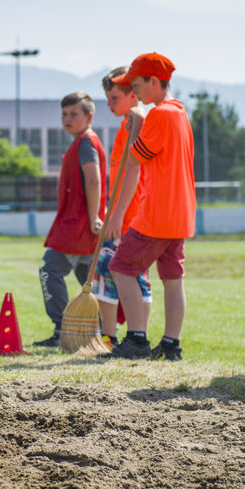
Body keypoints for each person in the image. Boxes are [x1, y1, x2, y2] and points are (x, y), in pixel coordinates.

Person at [105, 53, 195, 361]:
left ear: (154, 82)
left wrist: (137, 126)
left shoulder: (160, 115)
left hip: (157, 212)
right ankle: (171, 345)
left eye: (137, 83)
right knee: (172, 277)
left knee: (121, 267)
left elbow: (134, 162)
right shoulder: (180, 112)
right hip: (180, 213)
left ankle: (137, 339)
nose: (134, 91)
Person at [34, 91, 106, 348]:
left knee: (49, 269)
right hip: (80, 224)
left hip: (77, 225)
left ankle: (62, 328)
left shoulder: (86, 142)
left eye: (74, 114)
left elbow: (94, 179)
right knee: (88, 276)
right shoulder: (84, 141)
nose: (67, 119)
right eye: (64, 114)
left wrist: (95, 216)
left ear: (89, 116)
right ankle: (102, 328)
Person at [92, 68, 152, 348]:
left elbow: (134, 171)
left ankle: (127, 336)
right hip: (118, 215)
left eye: (114, 97)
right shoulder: (123, 127)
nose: (109, 104)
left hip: (129, 219)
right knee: (107, 275)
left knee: (118, 273)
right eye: (107, 97)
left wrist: (117, 216)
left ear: (132, 94)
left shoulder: (138, 120)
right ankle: (111, 335)